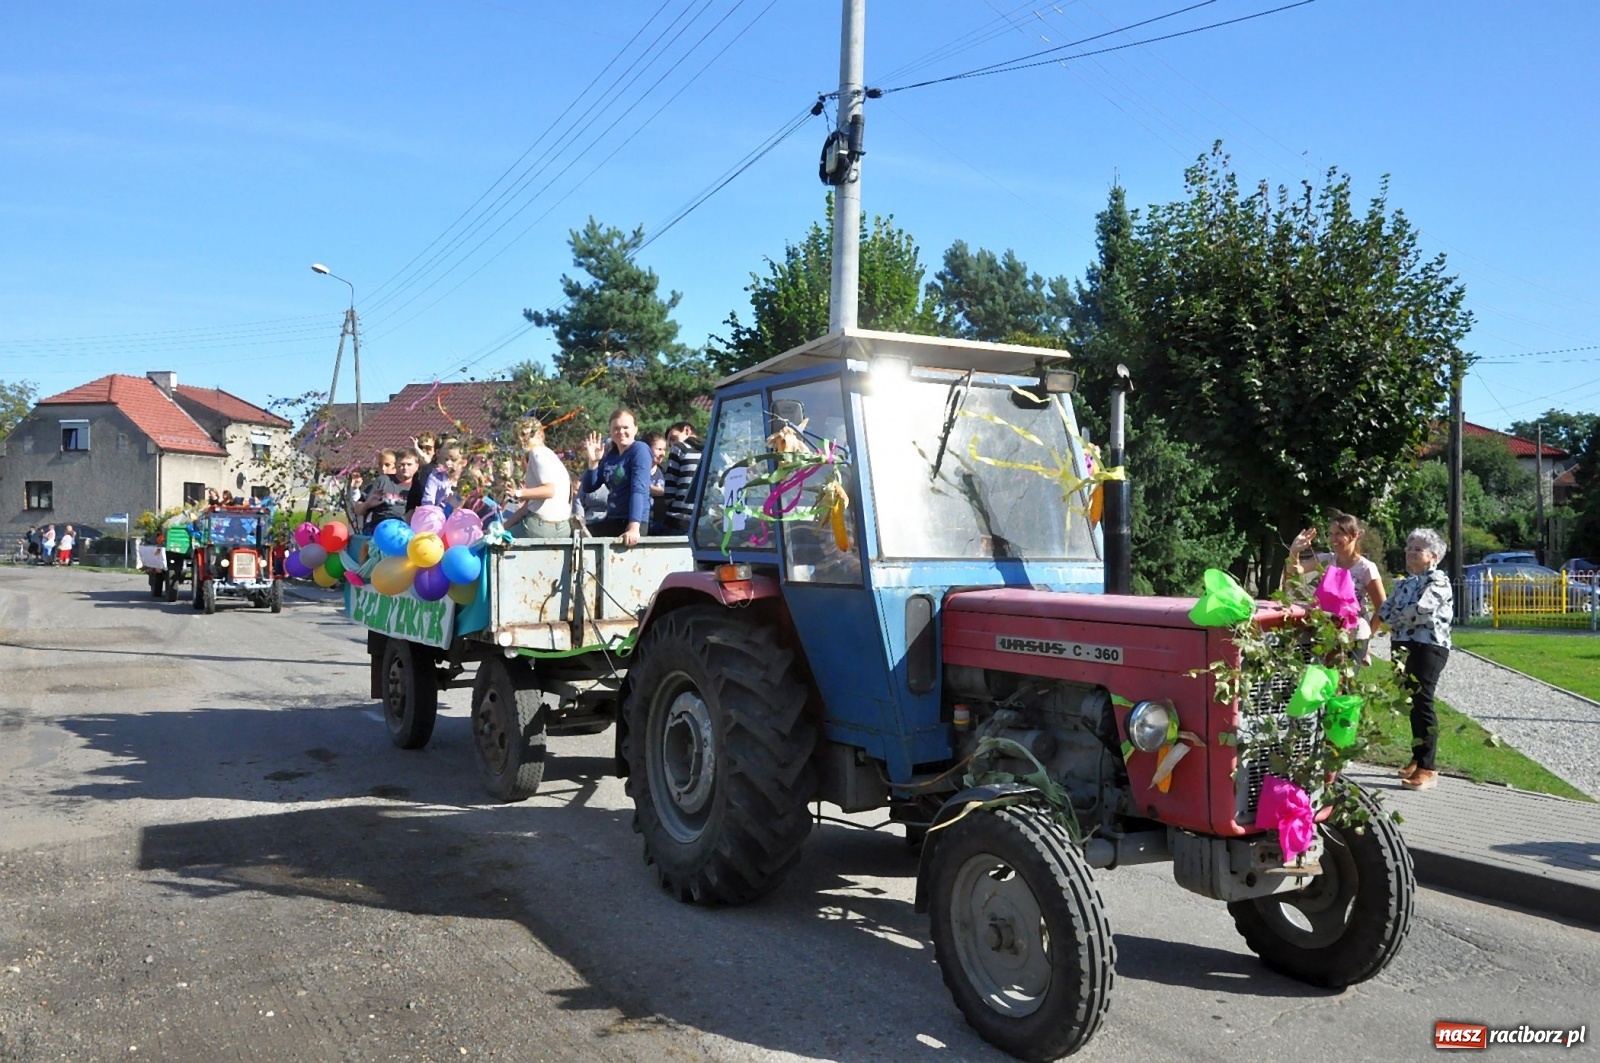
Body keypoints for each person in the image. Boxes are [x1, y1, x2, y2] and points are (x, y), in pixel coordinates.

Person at [1377, 527, 1454, 792]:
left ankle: (1428, 767)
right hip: (1402, 644)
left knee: (1422, 700)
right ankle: (1417, 756)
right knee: (1409, 701)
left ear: (1433, 556)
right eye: (1408, 548)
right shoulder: (1405, 583)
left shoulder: (1439, 582)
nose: (1409, 553)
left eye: (1417, 549)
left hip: (1428, 646)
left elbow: (1421, 610)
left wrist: (1402, 613)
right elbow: (1385, 612)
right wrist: (1402, 613)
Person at [1284, 512, 1388, 662]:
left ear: (1354, 535)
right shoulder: (1326, 560)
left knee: (1343, 684)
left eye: (1339, 534)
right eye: (1331, 534)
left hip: (1353, 636)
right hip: (1324, 633)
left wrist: (1368, 636)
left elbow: (1382, 608)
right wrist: (1294, 551)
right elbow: (1294, 575)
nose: (1333, 539)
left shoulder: (1366, 568)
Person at [580, 408, 653, 546]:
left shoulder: (639, 450)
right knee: (581, 536)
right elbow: (589, 487)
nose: (621, 432)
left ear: (635, 429)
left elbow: (639, 489)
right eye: (616, 428)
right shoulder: (611, 456)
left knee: (587, 538)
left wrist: (633, 527)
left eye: (626, 427)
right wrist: (593, 462)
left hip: (633, 521)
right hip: (613, 518)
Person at [504, 417, 572, 539]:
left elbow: (549, 491)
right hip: (563, 527)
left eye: (525, 434)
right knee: (502, 534)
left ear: (539, 433)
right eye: (519, 435)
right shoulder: (551, 456)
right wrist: (503, 527)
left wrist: (518, 493)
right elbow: (528, 507)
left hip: (542, 526)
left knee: (496, 543)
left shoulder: (536, 453)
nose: (522, 439)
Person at [661, 421, 702, 535]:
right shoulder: (712, 449)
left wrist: (673, 504)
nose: (672, 445)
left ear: (687, 430)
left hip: (679, 518)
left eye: (673, 438)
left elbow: (670, 484)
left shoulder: (680, 448)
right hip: (705, 520)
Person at [359, 449, 413, 532]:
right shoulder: (377, 484)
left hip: (402, 530)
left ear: (396, 465)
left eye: (387, 465)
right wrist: (367, 504)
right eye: (380, 465)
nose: (383, 469)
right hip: (380, 529)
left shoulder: (413, 486)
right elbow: (357, 510)